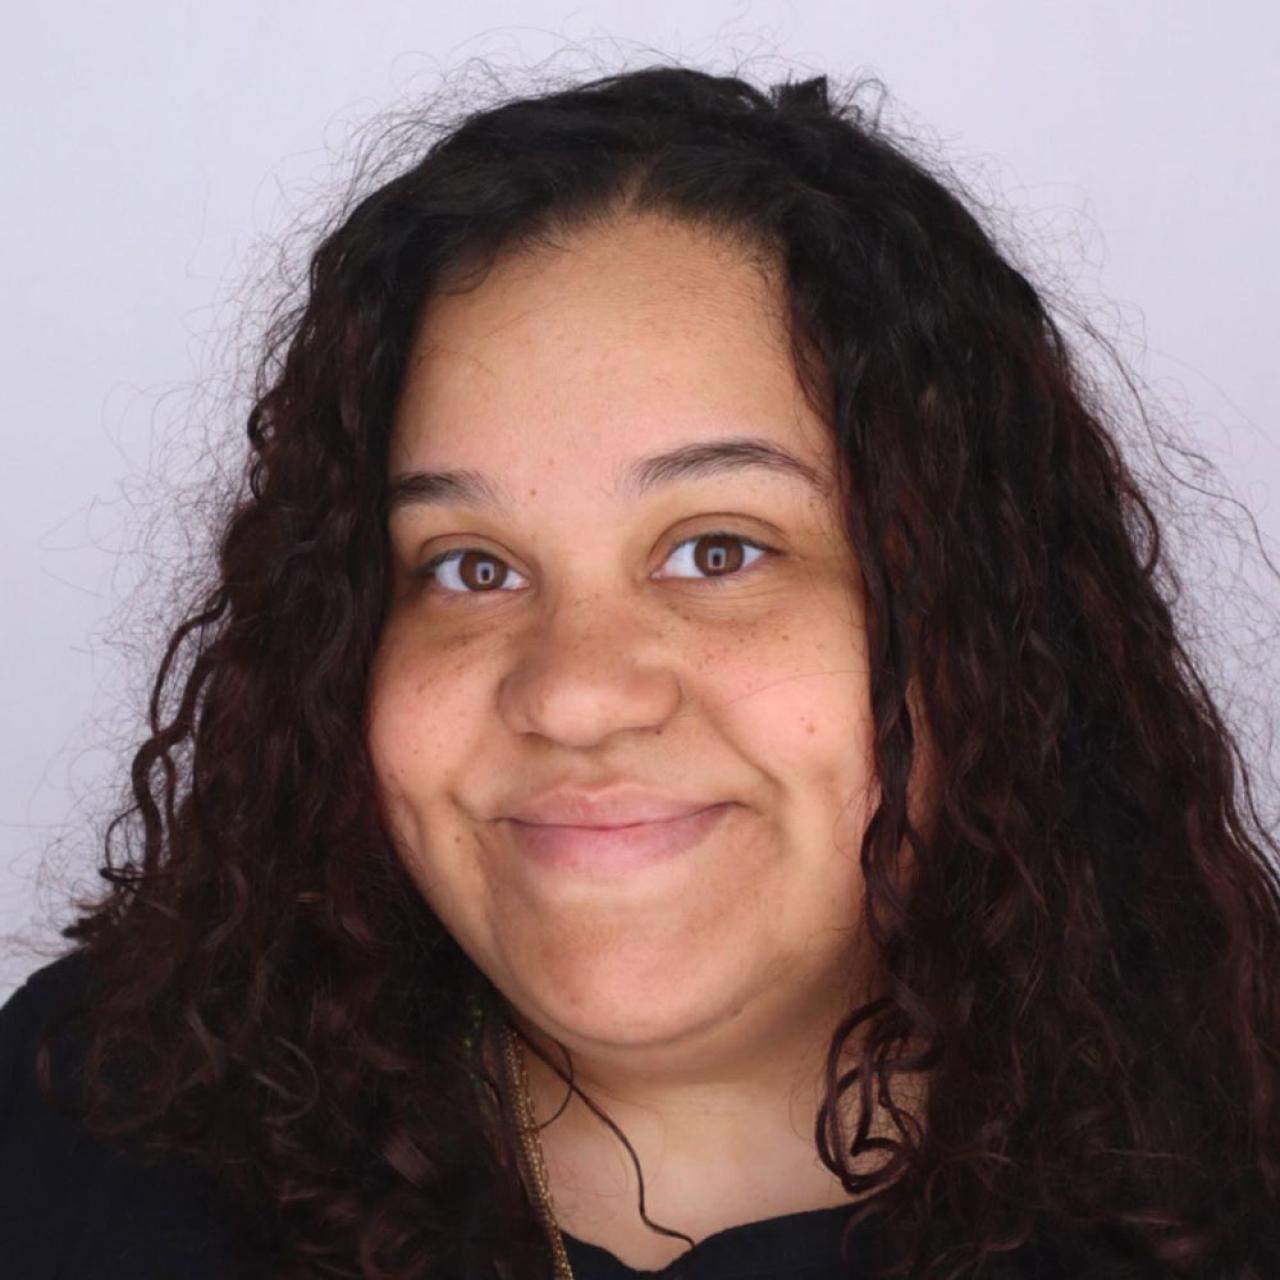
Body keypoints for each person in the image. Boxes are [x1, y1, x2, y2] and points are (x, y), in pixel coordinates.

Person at [1, 62, 1277, 1280]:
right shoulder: (83, 1126)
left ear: (982, 615)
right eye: (470, 566)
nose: (571, 692)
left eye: (717, 549)